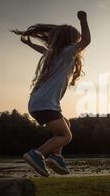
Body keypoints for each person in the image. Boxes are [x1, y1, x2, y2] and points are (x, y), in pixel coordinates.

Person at [11, 11, 91, 176]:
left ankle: (56, 157)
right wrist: (83, 20)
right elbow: (86, 40)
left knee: (65, 124)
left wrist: (29, 44)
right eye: (75, 40)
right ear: (70, 41)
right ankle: (36, 154)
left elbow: (42, 49)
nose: (77, 44)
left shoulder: (53, 54)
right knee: (66, 136)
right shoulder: (68, 52)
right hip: (46, 103)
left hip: (37, 103)